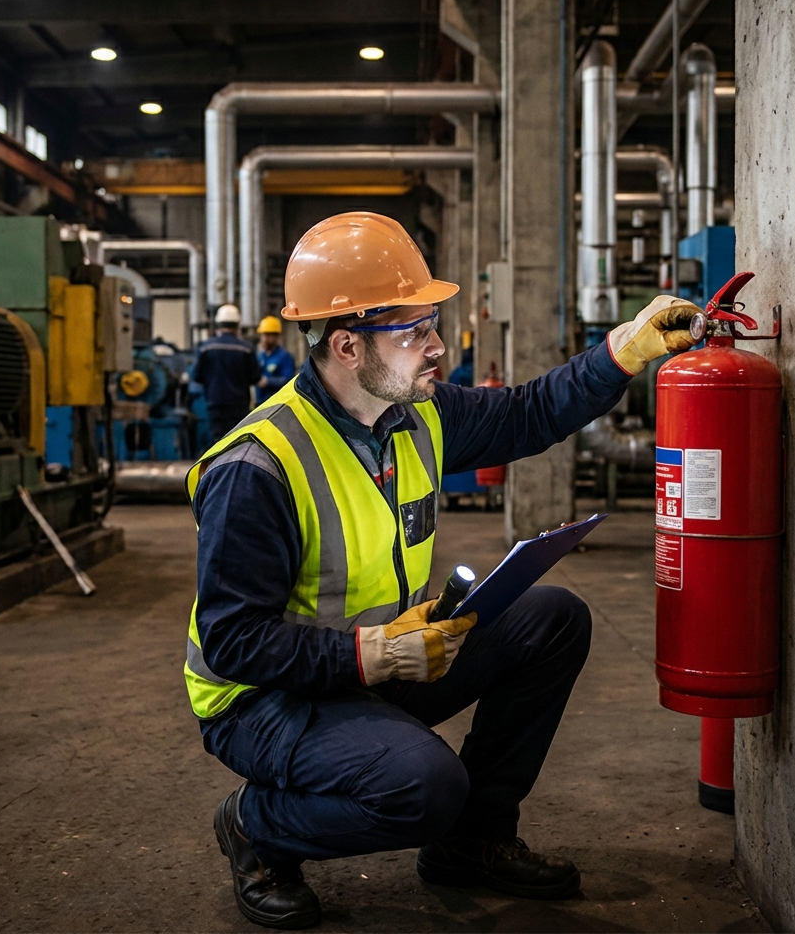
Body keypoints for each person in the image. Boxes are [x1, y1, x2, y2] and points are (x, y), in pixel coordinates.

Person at [184, 212, 699, 929]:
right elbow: (233, 643)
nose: (436, 348)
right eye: (414, 331)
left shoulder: (416, 413)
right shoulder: (257, 468)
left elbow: (528, 412)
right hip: (267, 701)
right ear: (346, 344)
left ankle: (473, 844)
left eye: (434, 324)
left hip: (381, 663)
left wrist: (623, 351)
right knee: (424, 787)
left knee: (553, 620)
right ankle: (257, 827)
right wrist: (375, 652)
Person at [192, 303, 262, 440]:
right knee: (236, 441)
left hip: (215, 403)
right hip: (239, 405)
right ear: (238, 326)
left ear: (218, 325)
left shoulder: (206, 348)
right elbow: (255, 378)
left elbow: (197, 376)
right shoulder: (246, 349)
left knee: (217, 442)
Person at [254, 315, 296, 404]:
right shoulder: (260, 355)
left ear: (276, 336)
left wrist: (268, 382)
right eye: (263, 335)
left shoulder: (285, 357)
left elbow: (288, 380)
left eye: (268, 335)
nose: (265, 339)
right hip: (259, 403)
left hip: (276, 404)